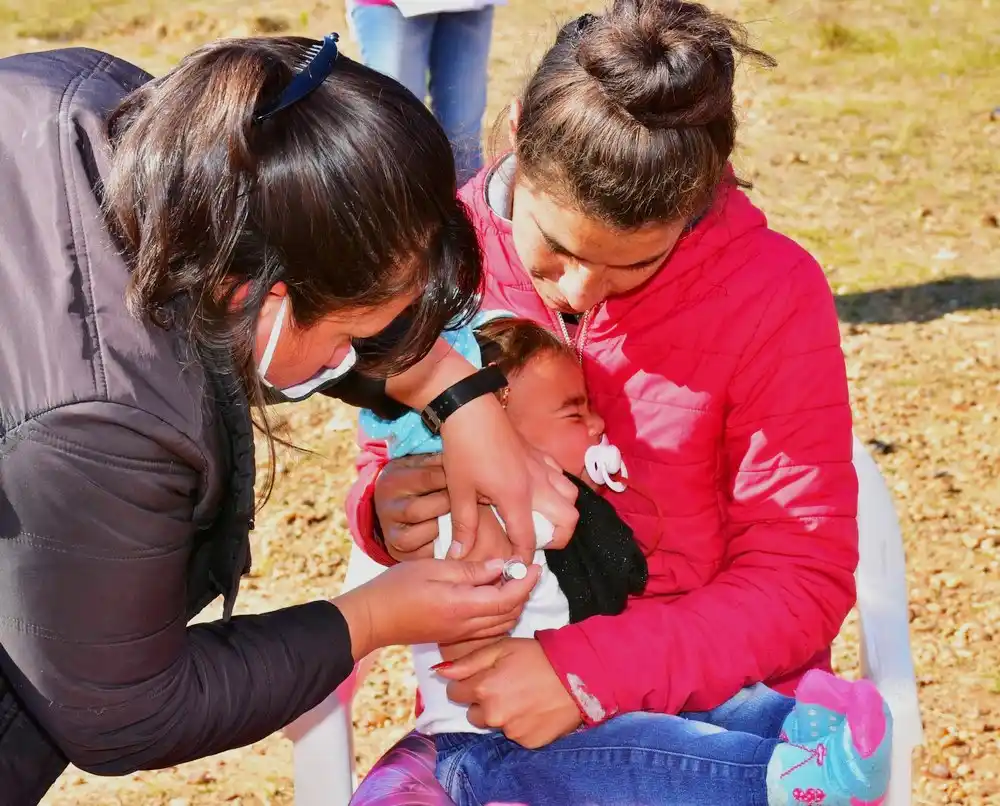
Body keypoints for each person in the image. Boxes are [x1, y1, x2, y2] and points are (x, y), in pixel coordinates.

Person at [0, 34, 579, 804]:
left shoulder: (127, 124)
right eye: (351, 334)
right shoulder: (101, 426)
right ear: (255, 299)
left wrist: (457, 391)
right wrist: (368, 618)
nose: (361, 353)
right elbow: (123, 710)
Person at [349, 0, 866, 799]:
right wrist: (387, 512)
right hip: (484, 712)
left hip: (715, 711)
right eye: (553, 248)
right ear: (518, 133)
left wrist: (585, 673)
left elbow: (800, 575)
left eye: (635, 264)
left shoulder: (770, 292)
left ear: (693, 203)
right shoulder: (438, 258)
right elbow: (385, 452)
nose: (582, 288)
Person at [355, 316, 892, 806]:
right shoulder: (472, 519)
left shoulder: (561, 513)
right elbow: (492, 574)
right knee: (648, 758)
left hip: (574, 712)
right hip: (491, 750)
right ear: (495, 434)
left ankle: (812, 728)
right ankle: (778, 782)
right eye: (573, 412)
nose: (596, 426)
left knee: (718, 708)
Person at [347, 0, 496, 184]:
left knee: (463, 138)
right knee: (396, 137)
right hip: (391, 6)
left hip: (469, 6)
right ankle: (397, 212)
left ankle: (462, 210)